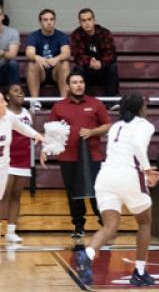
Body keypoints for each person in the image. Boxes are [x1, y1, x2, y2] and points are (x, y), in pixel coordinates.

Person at [74, 94, 159, 287]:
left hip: (105, 178)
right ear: (141, 108)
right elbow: (138, 145)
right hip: (128, 175)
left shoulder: (116, 126)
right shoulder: (145, 125)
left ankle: (87, 253)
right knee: (145, 222)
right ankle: (139, 272)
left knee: (110, 226)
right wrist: (147, 170)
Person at [41, 71, 111, 238]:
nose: (79, 85)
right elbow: (51, 132)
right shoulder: (59, 106)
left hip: (93, 157)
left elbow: (107, 125)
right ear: (68, 86)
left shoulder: (96, 104)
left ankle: (105, 225)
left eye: (81, 82)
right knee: (73, 192)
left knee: (97, 191)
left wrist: (93, 131)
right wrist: (44, 150)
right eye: (75, 82)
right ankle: (78, 226)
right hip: (68, 158)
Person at [0, 91, 43, 237]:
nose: (4, 104)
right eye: (1, 101)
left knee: (10, 197)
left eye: (3, 101)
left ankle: (9, 231)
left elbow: (24, 128)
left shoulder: (10, 117)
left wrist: (37, 135)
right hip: (4, 165)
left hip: (11, 164)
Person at [25, 9, 71, 110]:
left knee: (65, 64)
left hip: (56, 71)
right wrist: (37, 57)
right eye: (45, 20)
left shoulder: (61, 36)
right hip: (41, 71)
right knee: (32, 63)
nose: (49, 22)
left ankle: (64, 102)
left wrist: (57, 58)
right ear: (40, 22)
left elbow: (66, 52)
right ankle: (35, 102)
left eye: (51, 19)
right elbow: (29, 52)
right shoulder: (34, 36)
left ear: (55, 21)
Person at [70, 8, 120, 99]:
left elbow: (111, 53)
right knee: (78, 69)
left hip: (103, 70)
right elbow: (78, 56)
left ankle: (110, 101)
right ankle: (81, 100)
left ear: (94, 20)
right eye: (83, 20)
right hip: (87, 71)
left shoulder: (104, 33)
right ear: (80, 22)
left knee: (113, 67)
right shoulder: (76, 34)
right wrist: (90, 62)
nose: (87, 23)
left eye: (89, 19)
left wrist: (101, 63)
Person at [0, 5, 21, 86]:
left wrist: (2, 53)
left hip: (3, 70)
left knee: (13, 64)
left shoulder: (12, 32)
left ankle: (14, 94)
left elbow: (13, 54)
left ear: (2, 16)